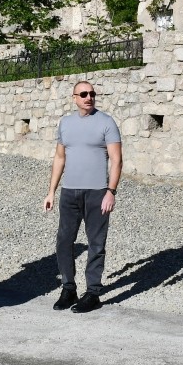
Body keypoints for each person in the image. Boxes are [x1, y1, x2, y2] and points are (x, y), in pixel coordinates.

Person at [43, 80, 122, 313]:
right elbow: (59, 158)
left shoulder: (106, 122)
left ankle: (93, 293)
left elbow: (116, 160)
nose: (89, 97)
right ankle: (69, 289)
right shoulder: (65, 123)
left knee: (96, 244)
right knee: (64, 242)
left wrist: (111, 191)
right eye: (84, 94)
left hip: (98, 192)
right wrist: (51, 191)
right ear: (74, 97)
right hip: (69, 192)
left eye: (92, 94)